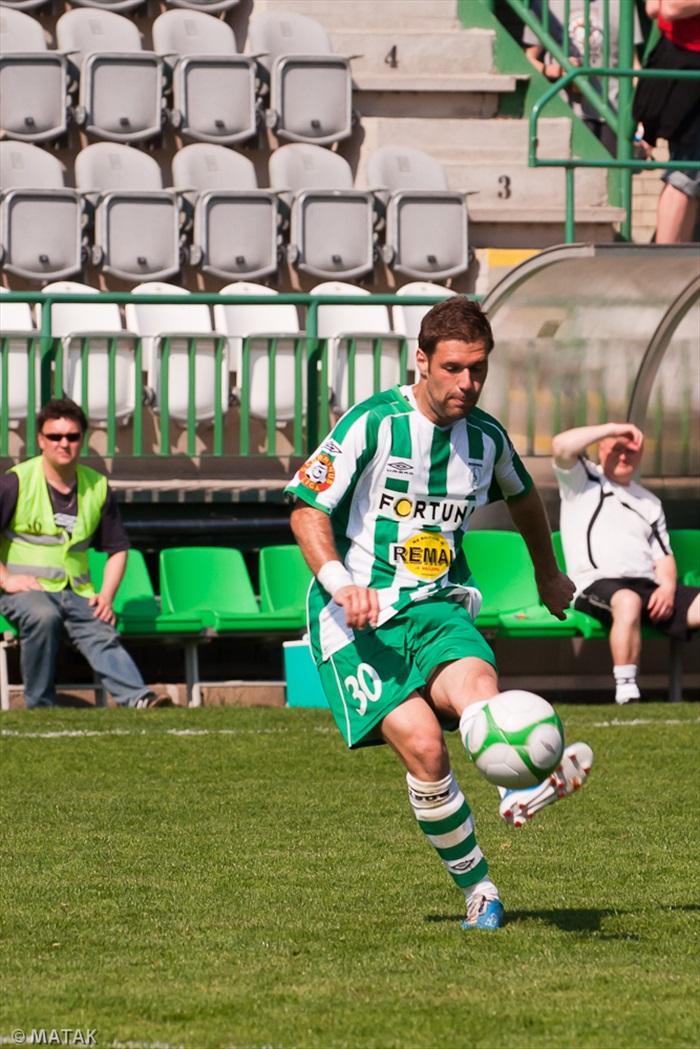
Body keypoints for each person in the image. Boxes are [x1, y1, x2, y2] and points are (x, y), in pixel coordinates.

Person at [284, 297, 594, 932]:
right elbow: (306, 508)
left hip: (437, 604)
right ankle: (480, 888)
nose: (467, 383)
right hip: (355, 621)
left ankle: (516, 783)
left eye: (478, 369)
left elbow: (524, 497)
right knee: (426, 749)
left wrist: (547, 571)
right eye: (453, 368)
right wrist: (341, 584)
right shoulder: (373, 423)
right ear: (421, 361)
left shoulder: (487, 438)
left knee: (477, 686)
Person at [0, 397, 172, 710]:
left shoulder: (98, 486)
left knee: (99, 625)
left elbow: (118, 548)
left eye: (72, 436)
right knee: (43, 616)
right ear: (41, 440)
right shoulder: (16, 482)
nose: (63, 443)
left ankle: (140, 699)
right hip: (24, 592)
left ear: (82, 439)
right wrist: (7, 579)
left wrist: (106, 596)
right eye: (55, 436)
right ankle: (39, 706)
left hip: (77, 591)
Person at [552, 421, 700, 703]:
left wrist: (667, 589)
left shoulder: (650, 502)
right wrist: (613, 428)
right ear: (601, 449)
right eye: (616, 448)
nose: (623, 456)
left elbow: (664, 556)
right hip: (595, 584)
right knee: (628, 600)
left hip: (649, 588)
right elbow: (560, 446)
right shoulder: (583, 480)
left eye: (630, 451)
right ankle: (627, 691)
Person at [522, 0, 643, 155]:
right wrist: (553, 70)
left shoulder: (621, 4)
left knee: (612, 169)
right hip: (566, 111)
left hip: (612, 114)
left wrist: (641, 118)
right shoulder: (546, 4)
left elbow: (634, 65)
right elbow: (528, 59)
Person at [633, 0, 700, 243]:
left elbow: (654, 7)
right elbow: (669, 7)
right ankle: (666, 258)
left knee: (691, 176)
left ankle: (677, 259)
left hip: (683, 59)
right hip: (686, 61)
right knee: (685, 172)